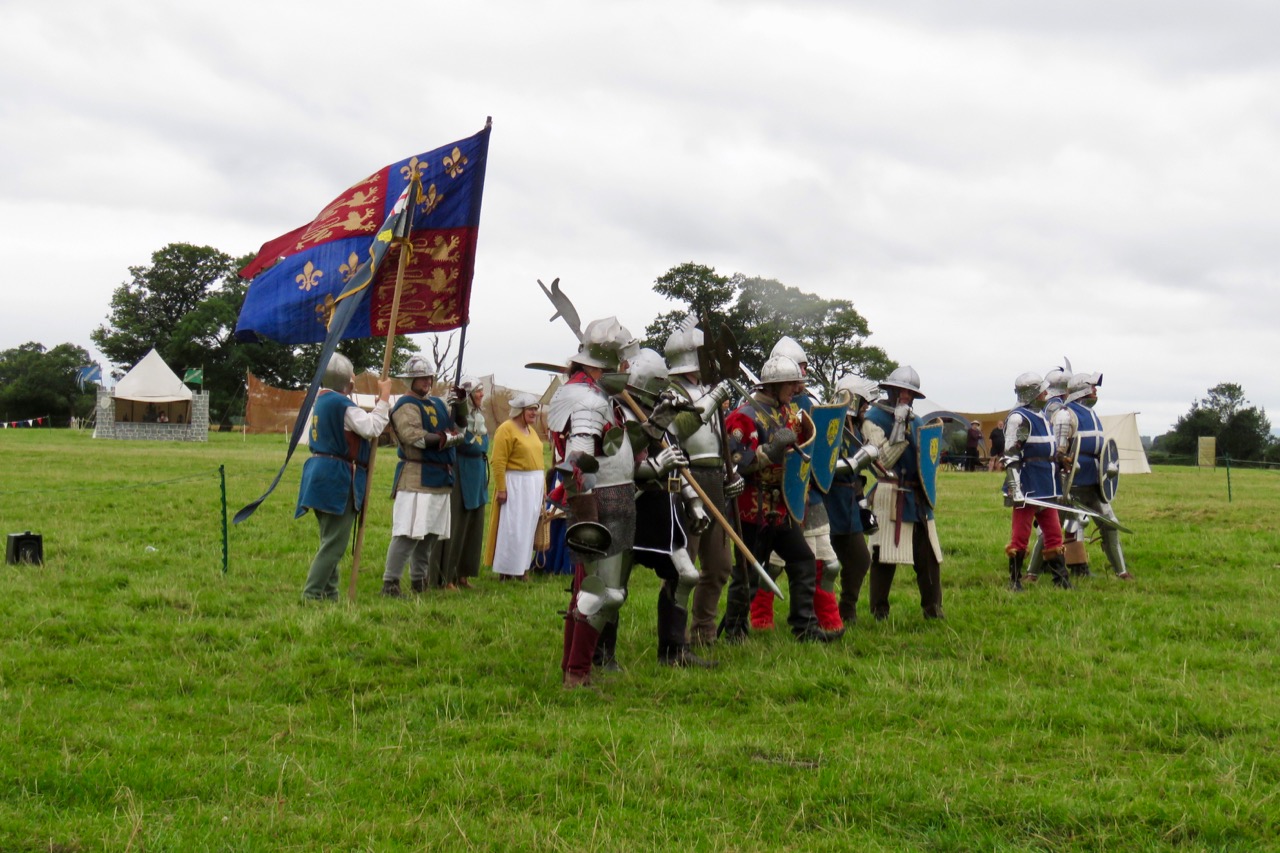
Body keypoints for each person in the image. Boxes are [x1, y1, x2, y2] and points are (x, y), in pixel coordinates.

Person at [718, 354, 843, 643]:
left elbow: (802, 453)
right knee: (747, 572)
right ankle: (736, 631)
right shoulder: (744, 417)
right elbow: (735, 464)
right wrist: (770, 451)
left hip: (782, 507)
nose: (796, 389)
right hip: (752, 509)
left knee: (803, 561)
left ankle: (805, 627)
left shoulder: (786, 411)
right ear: (773, 385)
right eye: (790, 384)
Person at [549, 317, 642, 687]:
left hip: (613, 496)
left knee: (588, 591)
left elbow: (613, 453)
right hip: (599, 501)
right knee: (604, 593)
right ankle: (577, 672)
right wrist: (587, 518)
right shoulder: (587, 398)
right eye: (622, 361)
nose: (626, 369)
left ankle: (574, 668)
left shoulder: (600, 395)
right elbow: (578, 461)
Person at [664, 318, 743, 649]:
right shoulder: (670, 392)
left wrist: (731, 475)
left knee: (721, 566)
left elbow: (717, 441)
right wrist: (712, 398)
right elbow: (676, 429)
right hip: (686, 479)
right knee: (685, 567)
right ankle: (675, 635)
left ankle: (704, 630)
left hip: (713, 479)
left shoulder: (707, 390)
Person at [296, 353, 392, 601]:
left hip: (320, 475)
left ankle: (330, 594)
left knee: (330, 540)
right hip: (336, 478)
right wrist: (384, 399)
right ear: (348, 384)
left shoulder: (321, 401)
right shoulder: (341, 405)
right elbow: (372, 428)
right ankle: (312, 594)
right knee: (334, 545)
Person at [862, 365, 944, 620]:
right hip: (890, 491)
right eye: (901, 391)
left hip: (917, 497)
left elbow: (928, 461)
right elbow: (883, 460)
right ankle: (879, 612)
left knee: (929, 557)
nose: (905, 397)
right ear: (891, 390)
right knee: (884, 557)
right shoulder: (872, 419)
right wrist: (898, 424)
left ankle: (933, 611)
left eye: (910, 393)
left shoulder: (919, 421)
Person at [382, 355, 463, 597]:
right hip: (416, 476)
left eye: (428, 377)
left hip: (440, 477)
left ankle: (419, 582)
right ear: (411, 379)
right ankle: (391, 583)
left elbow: (460, 429)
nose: (426, 381)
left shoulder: (438, 403)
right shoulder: (406, 405)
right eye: (421, 377)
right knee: (408, 532)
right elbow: (413, 436)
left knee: (429, 534)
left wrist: (461, 405)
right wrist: (445, 439)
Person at [1002, 372, 1071, 590]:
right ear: (1033, 394)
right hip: (1028, 485)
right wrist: (1015, 489)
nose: (1046, 394)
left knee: (1053, 532)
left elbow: (1047, 449)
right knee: (1021, 536)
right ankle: (1014, 582)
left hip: (1047, 484)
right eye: (1042, 390)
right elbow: (1010, 456)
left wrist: (1060, 458)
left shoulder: (1042, 416)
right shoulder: (1018, 418)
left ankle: (1061, 580)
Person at [1062, 371, 1132, 580]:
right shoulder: (1067, 414)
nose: (1095, 390)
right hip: (1071, 483)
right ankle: (1036, 571)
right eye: (1091, 386)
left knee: (1110, 523)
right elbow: (1059, 451)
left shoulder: (1092, 415)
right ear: (1081, 389)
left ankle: (1121, 571)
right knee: (1070, 525)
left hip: (1094, 483)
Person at [827, 375, 882, 625]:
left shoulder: (856, 430)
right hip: (827, 502)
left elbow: (857, 475)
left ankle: (846, 610)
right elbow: (825, 466)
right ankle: (815, 613)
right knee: (820, 565)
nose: (866, 409)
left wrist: (862, 507)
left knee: (860, 560)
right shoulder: (831, 425)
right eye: (863, 405)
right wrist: (860, 458)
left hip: (849, 501)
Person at [484, 392, 546, 581]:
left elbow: (540, 461)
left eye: (536, 409)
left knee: (528, 527)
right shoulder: (506, 429)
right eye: (531, 410)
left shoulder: (531, 431)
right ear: (520, 410)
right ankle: (506, 569)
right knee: (512, 527)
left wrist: (542, 488)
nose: (535, 413)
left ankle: (522, 568)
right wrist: (502, 488)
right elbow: (499, 461)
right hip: (516, 484)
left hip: (532, 486)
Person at [442, 377, 490, 589]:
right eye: (478, 391)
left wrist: (477, 443)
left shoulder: (478, 417)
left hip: (477, 471)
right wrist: (475, 442)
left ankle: (464, 573)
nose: (481, 394)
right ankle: (447, 575)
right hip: (461, 470)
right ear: (468, 395)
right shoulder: (456, 417)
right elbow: (464, 442)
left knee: (474, 524)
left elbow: (482, 444)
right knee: (457, 524)